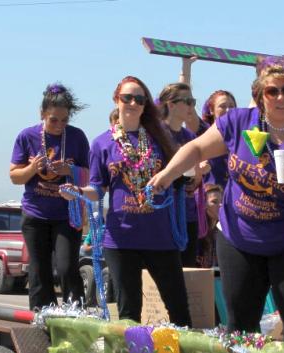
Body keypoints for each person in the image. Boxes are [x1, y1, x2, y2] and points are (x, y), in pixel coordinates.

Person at [149, 56, 284, 345]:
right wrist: (166, 174)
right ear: (260, 96)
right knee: (240, 325)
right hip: (239, 238)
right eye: (272, 91)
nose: (280, 97)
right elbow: (197, 148)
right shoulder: (237, 123)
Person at [60, 76, 191, 326]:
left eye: (139, 99)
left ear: (145, 105)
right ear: (116, 99)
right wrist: (77, 190)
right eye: (127, 98)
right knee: (129, 312)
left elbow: (178, 176)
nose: (133, 103)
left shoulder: (158, 138)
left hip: (160, 236)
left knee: (178, 309)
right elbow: (98, 189)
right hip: (121, 239)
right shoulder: (101, 143)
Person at [10, 83, 88, 310]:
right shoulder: (27, 136)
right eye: (53, 119)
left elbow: (91, 174)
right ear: (42, 114)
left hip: (66, 215)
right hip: (35, 214)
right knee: (39, 268)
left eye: (64, 120)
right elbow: (15, 176)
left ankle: (77, 314)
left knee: (66, 267)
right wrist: (33, 168)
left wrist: (70, 171)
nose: (59, 125)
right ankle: (41, 315)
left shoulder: (77, 137)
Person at [158, 82, 206, 267]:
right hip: (163, 212)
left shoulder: (191, 138)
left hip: (187, 213)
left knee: (187, 270)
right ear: (171, 104)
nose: (191, 106)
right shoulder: (157, 134)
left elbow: (194, 182)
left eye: (193, 101)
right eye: (187, 101)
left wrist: (199, 173)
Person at [201, 90, 237, 188]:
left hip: (234, 198)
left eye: (231, 106)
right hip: (210, 199)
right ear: (212, 110)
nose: (228, 110)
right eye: (222, 106)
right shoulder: (203, 133)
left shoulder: (241, 137)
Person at [196, 183, 223, 268]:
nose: (221, 205)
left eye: (222, 202)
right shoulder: (196, 232)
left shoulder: (222, 232)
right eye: (214, 202)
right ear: (203, 205)